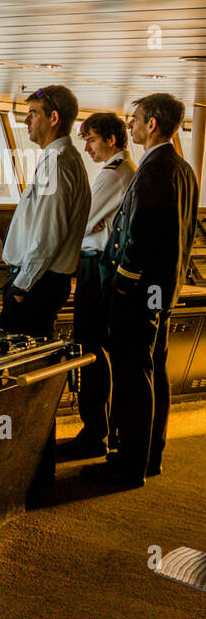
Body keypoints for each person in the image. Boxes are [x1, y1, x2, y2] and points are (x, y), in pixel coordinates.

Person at [84, 94, 201, 488]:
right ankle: (151, 456)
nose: (130, 127)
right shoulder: (183, 168)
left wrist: (123, 281)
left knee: (134, 374)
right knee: (154, 372)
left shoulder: (154, 170)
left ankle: (129, 465)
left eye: (135, 120)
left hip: (139, 294)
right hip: (163, 291)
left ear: (152, 124)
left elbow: (141, 236)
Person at [57, 112, 135, 460]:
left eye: (90, 139)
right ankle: (105, 431)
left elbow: (82, 224)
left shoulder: (113, 176)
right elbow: (93, 224)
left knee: (92, 352)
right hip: (104, 270)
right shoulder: (122, 173)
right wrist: (96, 227)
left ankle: (94, 433)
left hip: (96, 271)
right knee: (104, 353)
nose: (86, 147)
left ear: (111, 139)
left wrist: (94, 227)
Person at [0, 85, 90, 337]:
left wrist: (21, 287)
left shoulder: (58, 163)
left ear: (54, 118)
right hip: (42, 282)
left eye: (33, 113)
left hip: (37, 284)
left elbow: (48, 233)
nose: (26, 120)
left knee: (14, 365)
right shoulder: (62, 158)